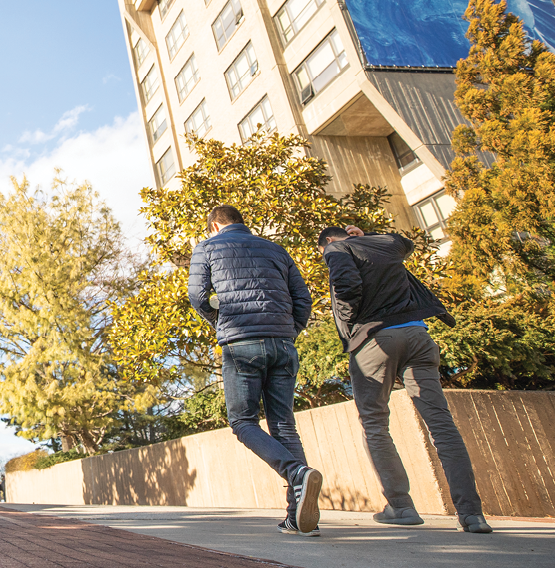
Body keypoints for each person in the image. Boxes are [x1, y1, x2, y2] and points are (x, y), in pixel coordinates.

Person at [318, 225, 492, 534]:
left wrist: (350, 321)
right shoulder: (385, 245)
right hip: (417, 336)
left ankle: (401, 506)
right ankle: (471, 514)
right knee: (441, 424)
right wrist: (368, 235)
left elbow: (345, 284)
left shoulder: (336, 248)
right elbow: (405, 243)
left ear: (328, 243)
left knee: (374, 423)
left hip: (375, 339)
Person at [190, 205, 323, 536]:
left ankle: (295, 472)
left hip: (241, 344)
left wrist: (219, 321)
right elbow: (303, 299)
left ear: (215, 225)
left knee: (242, 421)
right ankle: (298, 517)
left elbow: (197, 296)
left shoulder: (208, 247)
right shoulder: (276, 249)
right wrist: (289, 331)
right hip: (283, 343)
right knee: (284, 425)